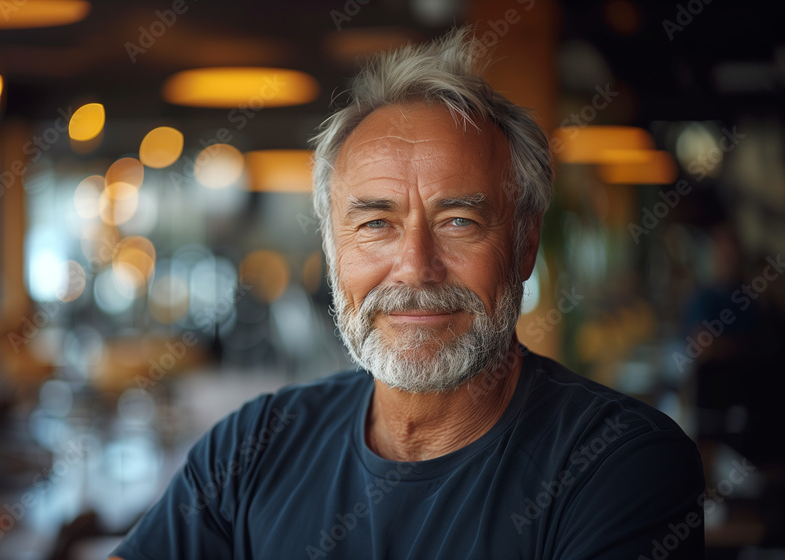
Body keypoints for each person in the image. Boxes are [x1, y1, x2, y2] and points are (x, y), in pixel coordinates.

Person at [112, 28, 704, 559]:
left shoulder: (619, 464)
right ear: (333, 251)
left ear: (524, 246)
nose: (416, 269)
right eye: (375, 224)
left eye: (459, 222)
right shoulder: (250, 449)